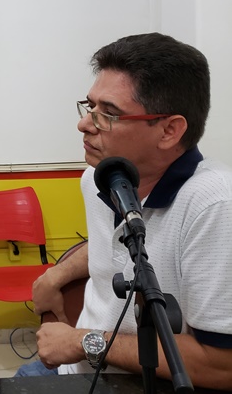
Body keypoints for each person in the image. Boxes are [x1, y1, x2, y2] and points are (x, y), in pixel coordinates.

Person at [20, 33, 232, 390]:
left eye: (109, 114)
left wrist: (85, 342)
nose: (85, 124)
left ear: (169, 130)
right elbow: (116, 246)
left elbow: (222, 365)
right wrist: (56, 275)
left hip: (140, 382)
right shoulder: (99, 177)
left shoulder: (214, 206)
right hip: (78, 369)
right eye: (90, 106)